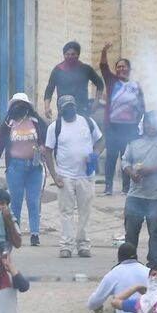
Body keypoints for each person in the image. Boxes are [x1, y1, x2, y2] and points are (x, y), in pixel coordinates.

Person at [43, 95, 104, 258]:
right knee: (66, 212)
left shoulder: (87, 122)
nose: (69, 110)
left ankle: (83, 245)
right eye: (66, 107)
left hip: (86, 175)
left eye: (71, 106)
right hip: (65, 176)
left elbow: (100, 142)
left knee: (85, 211)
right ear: (60, 110)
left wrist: (95, 155)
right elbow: (47, 152)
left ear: (75, 107)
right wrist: (54, 175)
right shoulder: (55, 127)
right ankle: (66, 246)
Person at [0, 93, 48, 247]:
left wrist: (43, 147)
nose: (19, 107)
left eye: (22, 104)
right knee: (15, 201)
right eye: (16, 104)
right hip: (15, 167)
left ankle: (35, 234)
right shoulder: (8, 125)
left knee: (33, 201)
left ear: (28, 106)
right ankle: (15, 232)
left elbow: (46, 138)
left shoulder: (36, 122)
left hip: (34, 167)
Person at [121, 110, 157, 265]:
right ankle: (129, 262)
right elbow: (125, 160)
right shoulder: (134, 142)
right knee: (131, 231)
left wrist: (150, 170)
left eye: (154, 123)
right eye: (148, 123)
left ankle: (153, 263)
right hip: (135, 194)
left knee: (155, 231)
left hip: (156, 196)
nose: (151, 126)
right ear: (143, 124)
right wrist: (131, 172)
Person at [99, 42, 145, 195]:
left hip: (129, 128)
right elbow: (104, 67)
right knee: (111, 156)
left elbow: (142, 106)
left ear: (129, 69)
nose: (120, 69)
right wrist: (104, 51)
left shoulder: (135, 86)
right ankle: (108, 187)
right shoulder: (112, 81)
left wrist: (139, 124)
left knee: (127, 157)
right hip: (113, 127)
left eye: (123, 66)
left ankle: (126, 187)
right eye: (118, 67)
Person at [43, 41, 104, 120]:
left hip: (82, 110)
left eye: (73, 54)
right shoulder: (58, 70)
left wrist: (96, 103)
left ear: (78, 55)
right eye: (67, 54)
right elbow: (49, 90)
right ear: (64, 55)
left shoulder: (85, 69)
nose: (70, 56)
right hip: (63, 110)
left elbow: (100, 84)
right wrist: (47, 107)